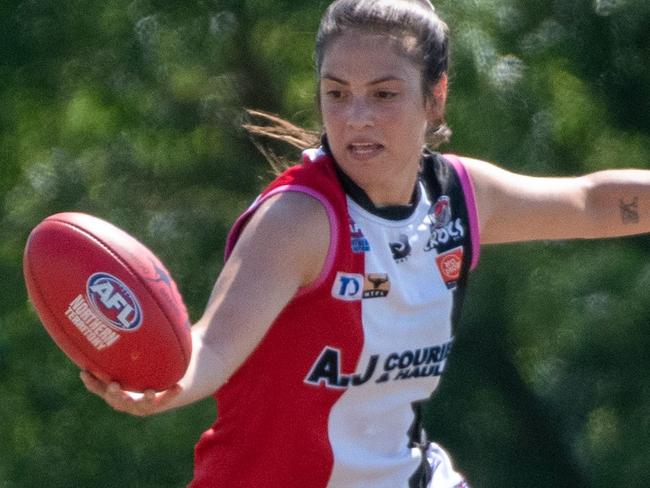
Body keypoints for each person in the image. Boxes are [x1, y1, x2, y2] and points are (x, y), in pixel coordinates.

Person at [80, 0, 650, 486]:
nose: (356, 117)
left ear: (435, 97)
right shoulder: (300, 221)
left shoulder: (457, 197)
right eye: (337, 93)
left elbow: (592, 201)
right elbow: (215, 349)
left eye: (383, 94)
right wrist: (164, 381)